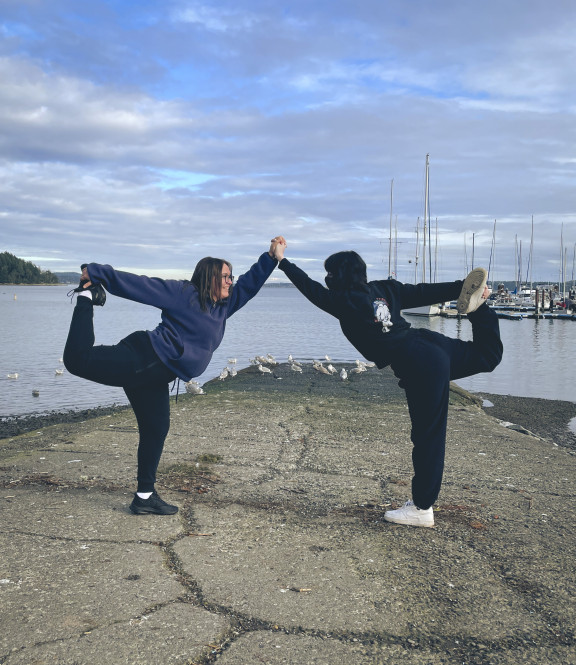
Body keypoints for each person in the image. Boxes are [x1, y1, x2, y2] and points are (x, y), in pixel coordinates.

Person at [273, 243, 503, 528]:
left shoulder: (342, 301)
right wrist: (460, 288)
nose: (326, 278)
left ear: (337, 276)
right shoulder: (384, 288)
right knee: (488, 356)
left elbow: (308, 287)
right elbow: (423, 291)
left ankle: (421, 508)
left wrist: (281, 261)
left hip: (418, 363)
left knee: (428, 437)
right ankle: (480, 309)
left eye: (329, 273)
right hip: (430, 344)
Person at [63, 237, 286, 515]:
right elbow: (141, 285)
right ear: (210, 278)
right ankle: (86, 296)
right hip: (141, 357)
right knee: (76, 360)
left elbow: (251, 284)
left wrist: (272, 258)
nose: (231, 281)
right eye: (226, 277)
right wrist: (96, 272)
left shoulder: (224, 307)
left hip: (155, 377)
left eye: (232, 277)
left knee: (156, 430)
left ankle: (144, 497)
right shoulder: (184, 294)